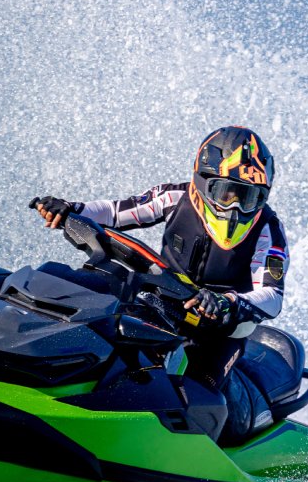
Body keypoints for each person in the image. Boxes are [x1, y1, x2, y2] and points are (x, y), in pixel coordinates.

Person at [33, 126, 288, 442]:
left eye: (249, 197)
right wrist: (72, 210)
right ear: (204, 182)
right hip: (161, 309)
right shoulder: (176, 197)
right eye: (228, 193)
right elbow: (115, 212)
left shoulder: (268, 229)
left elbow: (273, 296)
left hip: (218, 337)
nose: (236, 207)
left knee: (198, 397)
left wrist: (227, 303)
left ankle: (190, 460)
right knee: (104, 331)